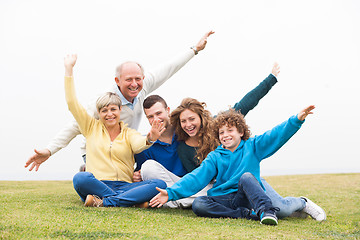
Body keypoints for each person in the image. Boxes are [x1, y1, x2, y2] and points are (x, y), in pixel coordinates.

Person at [26, 31, 214, 171]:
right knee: (107, 182)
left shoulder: (143, 85)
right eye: (129, 80)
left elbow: (168, 68)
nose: (134, 84)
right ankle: (90, 171)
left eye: (138, 79)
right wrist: (49, 150)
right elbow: (75, 126)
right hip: (96, 150)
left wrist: (195, 49)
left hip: (124, 144)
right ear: (118, 81)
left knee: (131, 170)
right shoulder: (106, 101)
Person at [26, 54, 167, 207]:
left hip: (125, 185)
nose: (109, 114)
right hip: (98, 185)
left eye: (113, 109)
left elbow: (139, 144)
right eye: (104, 110)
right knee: (81, 178)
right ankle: (129, 201)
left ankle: (105, 202)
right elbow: (72, 103)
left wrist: (151, 137)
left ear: (120, 110)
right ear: (98, 113)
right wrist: (69, 70)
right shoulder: (90, 128)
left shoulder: (129, 133)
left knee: (159, 184)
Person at [134, 64, 280, 208]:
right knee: (149, 168)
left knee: (276, 205)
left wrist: (270, 79)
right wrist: (136, 175)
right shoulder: (175, 141)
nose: (188, 125)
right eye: (150, 117)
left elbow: (244, 104)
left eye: (159, 114)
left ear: (168, 111)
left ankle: (175, 201)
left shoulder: (216, 127)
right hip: (193, 185)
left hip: (224, 184)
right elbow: (193, 178)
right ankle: (175, 199)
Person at [149, 106, 317, 225]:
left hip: (250, 195)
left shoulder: (253, 146)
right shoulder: (215, 156)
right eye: (221, 132)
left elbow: (275, 135)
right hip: (228, 200)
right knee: (199, 204)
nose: (225, 135)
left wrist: (296, 120)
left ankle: (299, 203)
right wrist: (170, 193)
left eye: (230, 130)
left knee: (277, 205)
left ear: (241, 132)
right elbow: (197, 177)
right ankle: (247, 215)